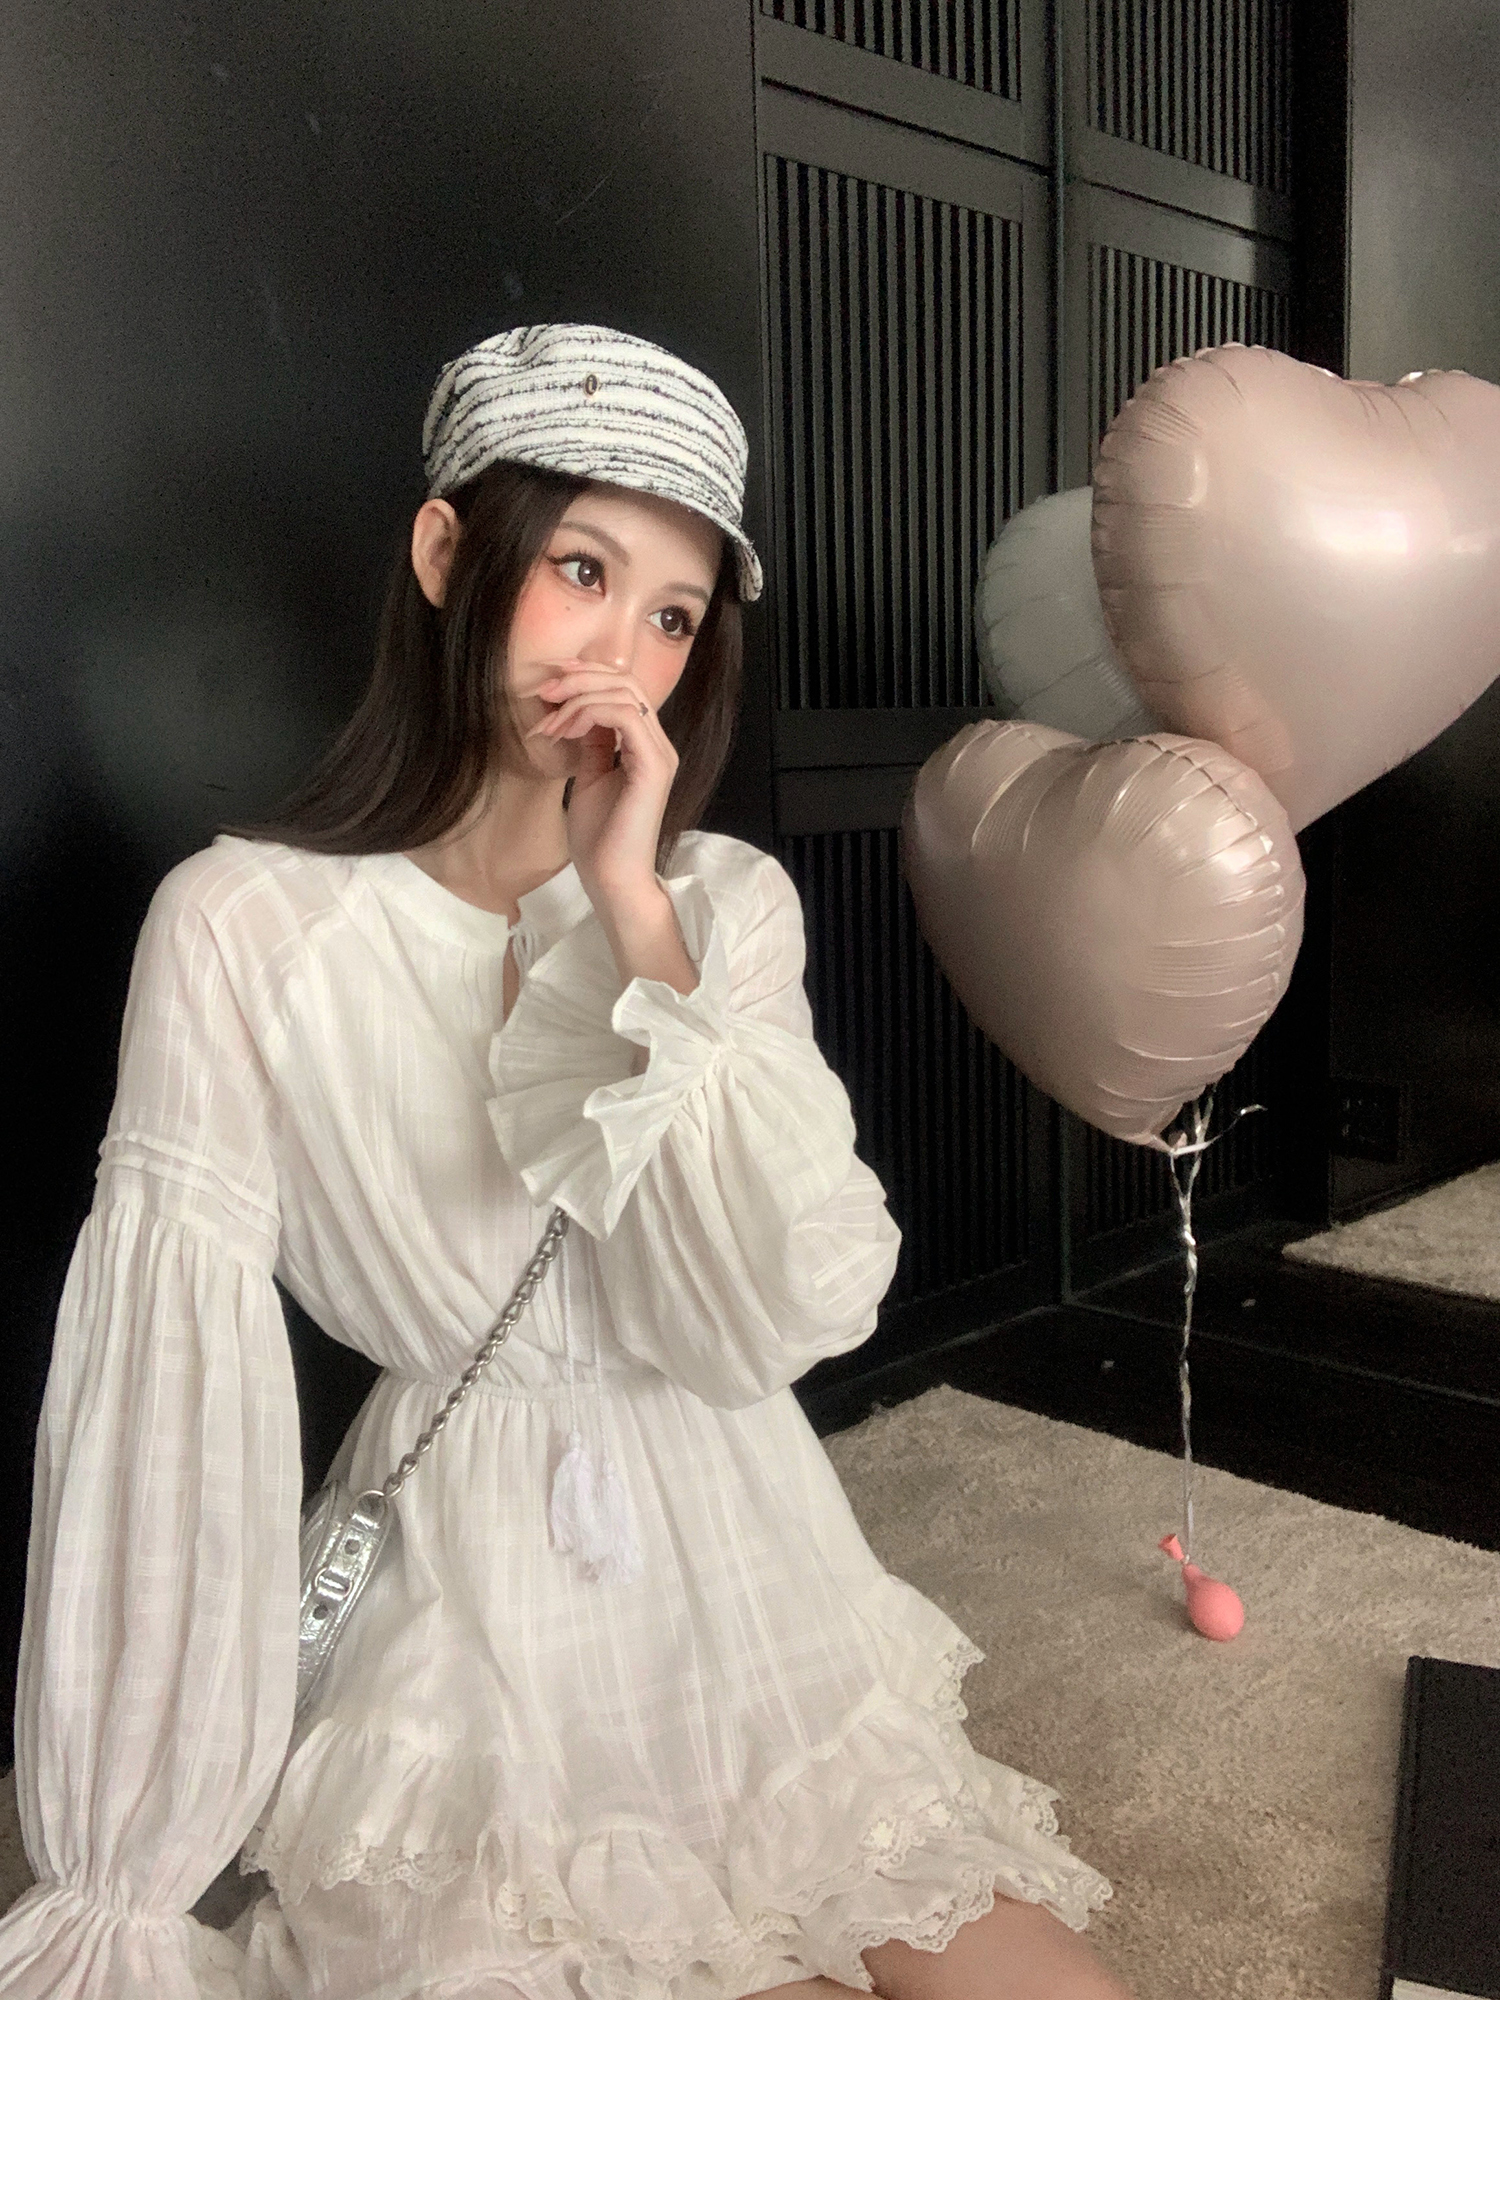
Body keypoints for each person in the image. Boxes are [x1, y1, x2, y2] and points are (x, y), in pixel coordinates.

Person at [0, 324, 1124, 1999]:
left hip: (747, 1563)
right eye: (582, 571)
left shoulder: (720, 903)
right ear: (447, 553)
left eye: (672, 615)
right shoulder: (244, 927)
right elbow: (171, 1405)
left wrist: (630, 912)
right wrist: (125, 1866)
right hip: (470, 1610)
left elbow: (788, 1303)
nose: (620, 655)